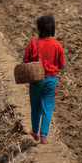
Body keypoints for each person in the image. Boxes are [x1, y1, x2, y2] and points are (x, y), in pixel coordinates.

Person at [23, 15, 64, 144]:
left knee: (35, 107)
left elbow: (25, 60)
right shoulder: (57, 44)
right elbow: (61, 64)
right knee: (48, 107)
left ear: (39, 29)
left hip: (36, 80)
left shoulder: (33, 43)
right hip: (51, 80)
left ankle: (34, 131)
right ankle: (43, 135)